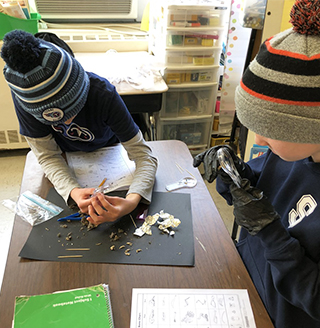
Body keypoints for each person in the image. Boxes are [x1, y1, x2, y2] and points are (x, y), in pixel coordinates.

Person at [193, 0, 320, 327]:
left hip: (279, 316)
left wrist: (270, 233)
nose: (259, 141)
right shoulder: (292, 152)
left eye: (268, 131)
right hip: (246, 277)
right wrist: (236, 176)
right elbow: (265, 186)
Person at [1, 29, 158, 226]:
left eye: (72, 112)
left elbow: (144, 156)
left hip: (110, 149)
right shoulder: (25, 100)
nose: (67, 123)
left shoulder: (103, 94)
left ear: (82, 89)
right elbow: (47, 155)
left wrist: (131, 201)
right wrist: (73, 191)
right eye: (55, 121)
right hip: (66, 156)